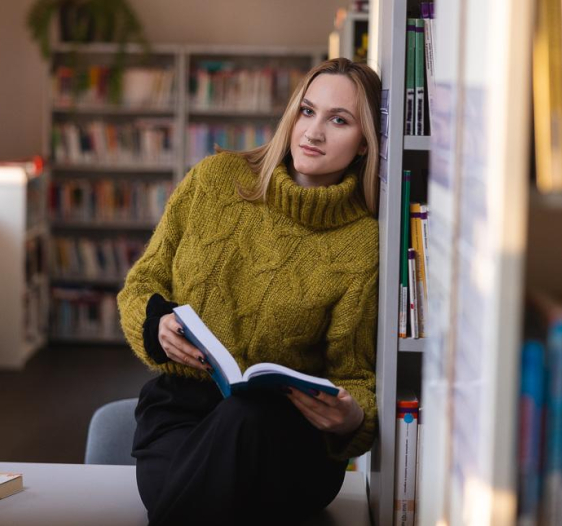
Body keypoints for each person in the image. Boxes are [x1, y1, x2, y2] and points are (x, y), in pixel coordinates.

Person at [117, 57, 381, 526]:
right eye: (306, 111)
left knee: (244, 416)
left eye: (338, 120)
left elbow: (355, 374)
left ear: (364, 145)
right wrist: (157, 323)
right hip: (181, 418)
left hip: (287, 441)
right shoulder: (215, 180)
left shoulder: (363, 244)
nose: (313, 132)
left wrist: (351, 418)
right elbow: (142, 283)